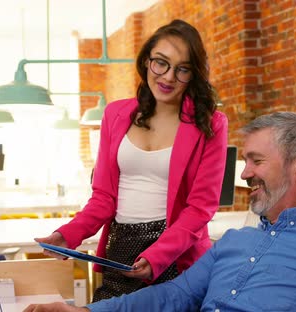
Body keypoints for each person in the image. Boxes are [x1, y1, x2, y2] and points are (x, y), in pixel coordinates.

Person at [24, 112, 296, 312]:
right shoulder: (233, 242)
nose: (244, 173)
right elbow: (171, 296)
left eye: (256, 161)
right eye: (245, 161)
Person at [35, 19, 229, 301]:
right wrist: (66, 236)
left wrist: (157, 255)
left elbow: (200, 208)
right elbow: (103, 197)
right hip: (121, 249)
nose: (168, 77)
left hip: (177, 253)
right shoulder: (115, 115)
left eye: (182, 69)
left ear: (194, 74)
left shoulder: (210, 124)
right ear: (146, 61)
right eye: (161, 63)